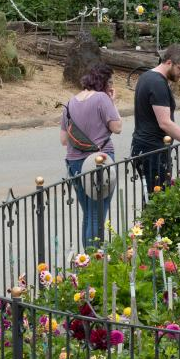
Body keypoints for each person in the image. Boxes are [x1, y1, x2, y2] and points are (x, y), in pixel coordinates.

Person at [59, 63, 122, 248]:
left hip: (74, 162)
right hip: (98, 161)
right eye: (110, 82)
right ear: (103, 82)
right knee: (97, 213)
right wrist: (113, 103)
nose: (111, 86)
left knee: (88, 212)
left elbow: (64, 139)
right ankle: (94, 261)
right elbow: (117, 127)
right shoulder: (102, 99)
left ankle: (85, 260)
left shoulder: (70, 103)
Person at [131, 45, 180, 195]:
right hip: (152, 150)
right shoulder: (157, 83)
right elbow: (165, 122)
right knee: (158, 200)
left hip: (144, 146)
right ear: (169, 62)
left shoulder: (146, 76)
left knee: (152, 198)